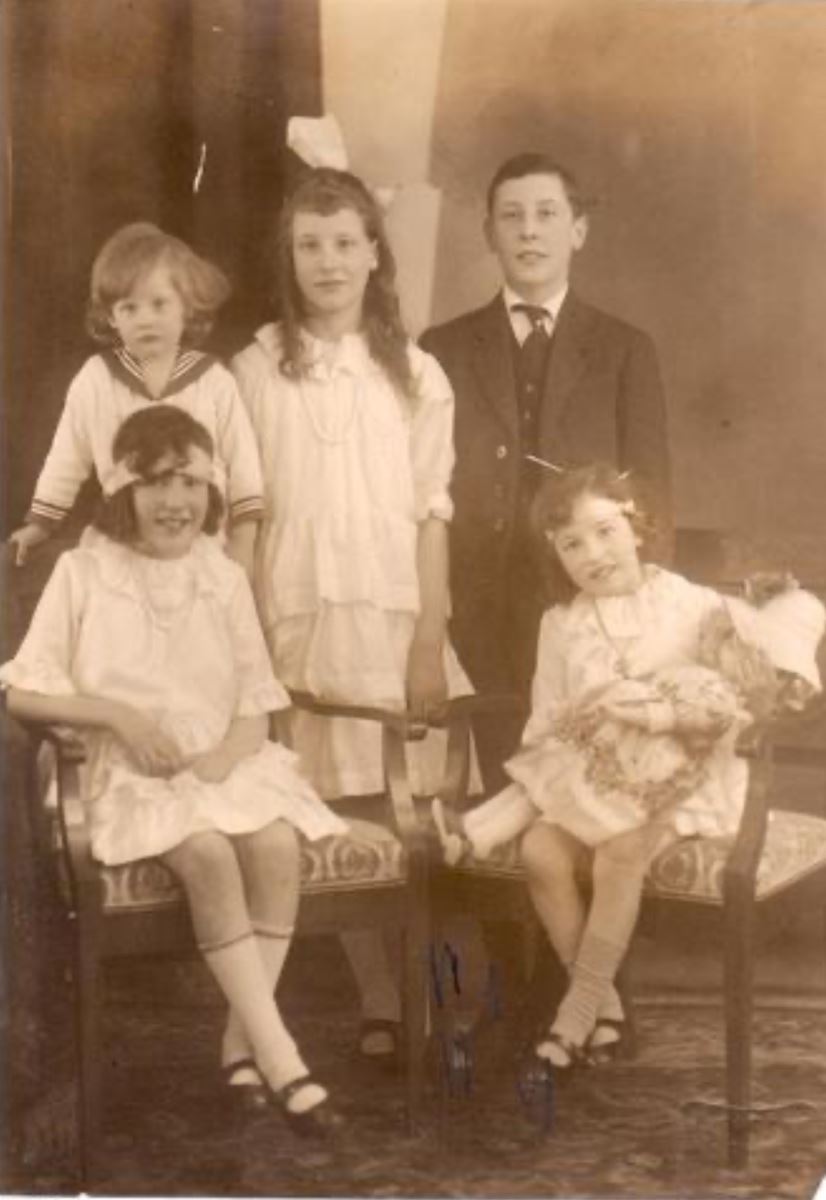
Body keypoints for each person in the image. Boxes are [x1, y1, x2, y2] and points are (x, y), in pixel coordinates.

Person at [0, 406, 347, 1135]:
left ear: (212, 491)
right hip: (125, 773)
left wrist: (223, 759)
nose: (175, 500)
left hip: (220, 761)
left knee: (275, 844)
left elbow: (258, 699)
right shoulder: (84, 570)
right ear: (123, 490)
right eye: (155, 482)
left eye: (190, 480)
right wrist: (121, 717)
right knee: (208, 853)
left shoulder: (219, 576)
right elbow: (23, 688)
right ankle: (283, 1056)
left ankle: (239, 1044)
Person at [433, 463, 823, 1070]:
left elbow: (750, 683)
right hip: (595, 778)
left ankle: (577, 1009)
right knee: (541, 849)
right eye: (572, 544)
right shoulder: (561, 625)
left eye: (606, 531)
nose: (594, 553)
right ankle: (606, 1003)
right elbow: (546, 716)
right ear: (557, 557)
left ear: (638, 528)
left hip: (683, 778)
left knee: (621, 845)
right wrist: (578, 740)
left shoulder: (691, 604)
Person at [231, 167, 475, 1062]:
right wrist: (247, 645)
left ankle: (435, 999)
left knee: (416, 814)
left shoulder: (415, 373)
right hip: (295, 613)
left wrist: (427, 639)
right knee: (330, 807)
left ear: (375, 253)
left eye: (344, 242)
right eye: (310, 245)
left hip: (394, 611)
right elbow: (243, 520)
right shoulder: (252, 370)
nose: (328, 262)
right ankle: (381, 1002)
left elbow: (432, 510)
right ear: (288, 259)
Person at [420, 153, 672, 786]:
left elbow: (650, 488)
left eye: (546, 214)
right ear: (489, 234)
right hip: (479, 602)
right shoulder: (442, 348)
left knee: (590, 780)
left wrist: (640, 611)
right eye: (512, 216)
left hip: (584, 598)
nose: (529, 231)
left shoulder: (624, 349)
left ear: (577, 231)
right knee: (499, 783)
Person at [9, 222, 263, 577]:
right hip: (123, 544)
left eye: (159, 304)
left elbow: (244, 466)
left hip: (200, 546)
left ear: (187, 307)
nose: (146, 320)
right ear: (111, 317)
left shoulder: (214, 381)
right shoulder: (96, 379)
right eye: (130, 308)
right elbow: (67, 456)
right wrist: (41, 524)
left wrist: (243, 542)